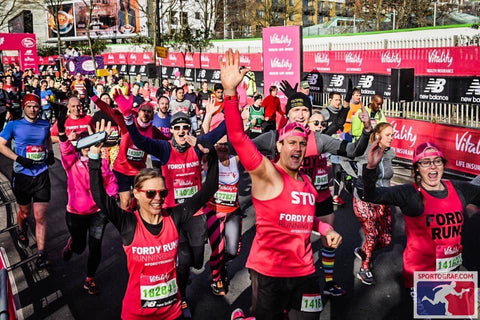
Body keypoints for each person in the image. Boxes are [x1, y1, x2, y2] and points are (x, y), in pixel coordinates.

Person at [222, 49, 342, 320]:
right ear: (279, 146)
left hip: (305, 271)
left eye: (301, 143)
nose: (297, 148)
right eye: (291, 143)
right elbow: (239, 139)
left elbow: (304, 219)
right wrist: (230, 93)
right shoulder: (268, 174)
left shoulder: (309, 184)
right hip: (270, 272)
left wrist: (324, 228)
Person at [88, 137, 219, 320]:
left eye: (162, 193)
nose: (158, 198)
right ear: (136, 193)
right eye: (150, 193)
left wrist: (210, 154)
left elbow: (210, 187)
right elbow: (100, 197)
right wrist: (94, 158)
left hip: (172, 312)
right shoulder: (128, 223)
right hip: (137, 314)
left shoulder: (174, 217)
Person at [120, 107, 226, 317]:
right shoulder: (164, 148)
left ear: (190, 130)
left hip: (194, 213)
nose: (181, 131)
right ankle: (182, 296)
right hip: (172, 214)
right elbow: (141, 142)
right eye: (177, 128)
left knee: (197, 261)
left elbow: (224, 129)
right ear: (172, 130)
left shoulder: (197, 146)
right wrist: (128, 120)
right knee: (184, 260)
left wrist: (234, 105)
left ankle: (185, 275)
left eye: (185, 127)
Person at [360, 140, 480, 294]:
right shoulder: (410, 193)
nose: (433, 166)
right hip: (423, 277)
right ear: (416, 169)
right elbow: (372, 196)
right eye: (425, 163)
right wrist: (370, 168)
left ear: (443, 165)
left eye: (437, 161)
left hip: (452, 270)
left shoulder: (459, 189)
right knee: (434, 313)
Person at [58, 112, 118, 294]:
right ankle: (72, 244)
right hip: (76, 213)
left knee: (95, 246)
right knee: (79, 247)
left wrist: (111, 198)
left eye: (91, 144)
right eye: (84, 145)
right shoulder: (71, 162)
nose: (87, 148)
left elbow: (111, 182)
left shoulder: (101, 162)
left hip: (97, 213)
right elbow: (65, 149)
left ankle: (89, 278)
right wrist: (61, 132)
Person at [0, 94, 55, 268]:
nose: (33, 109)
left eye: (36, 106)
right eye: (29, 106)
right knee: (25, 213)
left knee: (40, 216)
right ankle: (21, 228)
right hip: (22, 176)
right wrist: (18, 159)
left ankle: (41, 253)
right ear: (24, 107)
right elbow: (0, 145)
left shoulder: (45, 124)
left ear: (40, 108)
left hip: (41, 175)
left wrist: (51, 153)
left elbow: (47, 139)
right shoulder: (13, 125)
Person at [303, 111, 346, 296]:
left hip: (323, 198)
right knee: (301, 243)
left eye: (322, 124)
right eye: (316, 123)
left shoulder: (324, 141)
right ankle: (301, 280)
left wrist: (345, 105)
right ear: (307, 124)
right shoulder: (301, 143)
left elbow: (338, 122)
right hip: (304, 199)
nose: (320, 127)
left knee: (328, 240)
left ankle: (329, 283)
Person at [352, 122, 395, 285]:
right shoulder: (365, 150)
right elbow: (344, 157)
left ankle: (363, 251)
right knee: (372, 235)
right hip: (364, 199)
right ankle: (364, 269)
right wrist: (354, 176)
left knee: (386, 240)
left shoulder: (391, 153)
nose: (391, 138)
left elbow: (387, 175)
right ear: (378, 136)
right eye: (388, 135)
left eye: (392, 135)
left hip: (383, 199)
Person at [205, 135, 242, 296]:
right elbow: (204, 139)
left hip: (233, 211)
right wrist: (209, 115)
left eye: (225, 144)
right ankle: (216, 278)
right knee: (217, 250)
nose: (222, 147)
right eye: (218, 144)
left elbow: (243, 141)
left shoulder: (236, 160)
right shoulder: (209, 160)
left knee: (233, 251)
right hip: (214, 211)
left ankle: (221, 266)